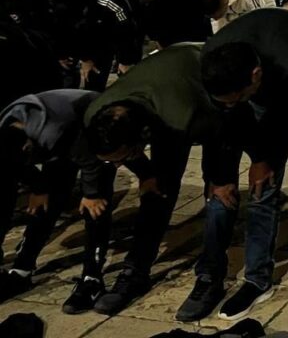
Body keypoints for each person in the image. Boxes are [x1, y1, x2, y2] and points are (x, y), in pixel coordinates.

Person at [175, 9, 288, 324]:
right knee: (261, 187)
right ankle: (257, 280)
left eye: (238, 97)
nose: (230, 103)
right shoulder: (214, 57)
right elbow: (223, 117)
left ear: (255, 75)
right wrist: (250, 164)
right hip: (267, 90)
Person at [83, 43, 221, 314]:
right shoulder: (96, 115)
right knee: (155, 193)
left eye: (123, 158)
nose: (119, 165)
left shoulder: (179, 117)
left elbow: (220, 131)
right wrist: (146, 174)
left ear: (141, 139)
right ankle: (135, 271)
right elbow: (115, 156)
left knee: (217, 193)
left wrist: (220, 177)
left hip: (203, 88)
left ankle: (211, 274)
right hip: (161, 85)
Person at [0, 90, 116, 313]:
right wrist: (38, 188)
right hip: (62, 139)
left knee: (95, 207)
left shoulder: (50, 131)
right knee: (43, 204)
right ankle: (22, 269)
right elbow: (13, 165)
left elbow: (89, 160)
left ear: (27, 146)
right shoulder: (6, 130)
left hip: (95, 127)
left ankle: (92, 278)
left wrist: (91, 194)